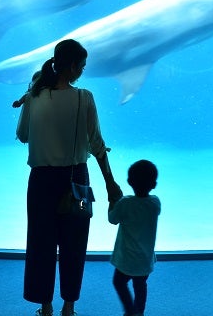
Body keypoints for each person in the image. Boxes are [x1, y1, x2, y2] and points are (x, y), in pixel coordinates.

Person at [16, 39, 123, 316]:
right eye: (82, 65)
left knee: (41, 244)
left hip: (40, 182)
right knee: (74, 246)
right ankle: (69, 308)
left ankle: (46, 307)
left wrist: (32, 95)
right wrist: (110, 183)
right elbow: (97, 145)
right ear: (73, 66)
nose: (83, 71)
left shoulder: (34, 96)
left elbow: (23, 135)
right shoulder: (84, 98)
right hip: (77, 180)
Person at [108, 160, 160, 316]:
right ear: (154, 184)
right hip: (145, 259)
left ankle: (130, 311)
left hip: (127, 260)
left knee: (118, 282)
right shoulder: (155, 203)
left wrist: (112, 202)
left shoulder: (125, 203)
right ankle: (139, 312)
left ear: (129, 181)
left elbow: (112, 219)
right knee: (141, 284)